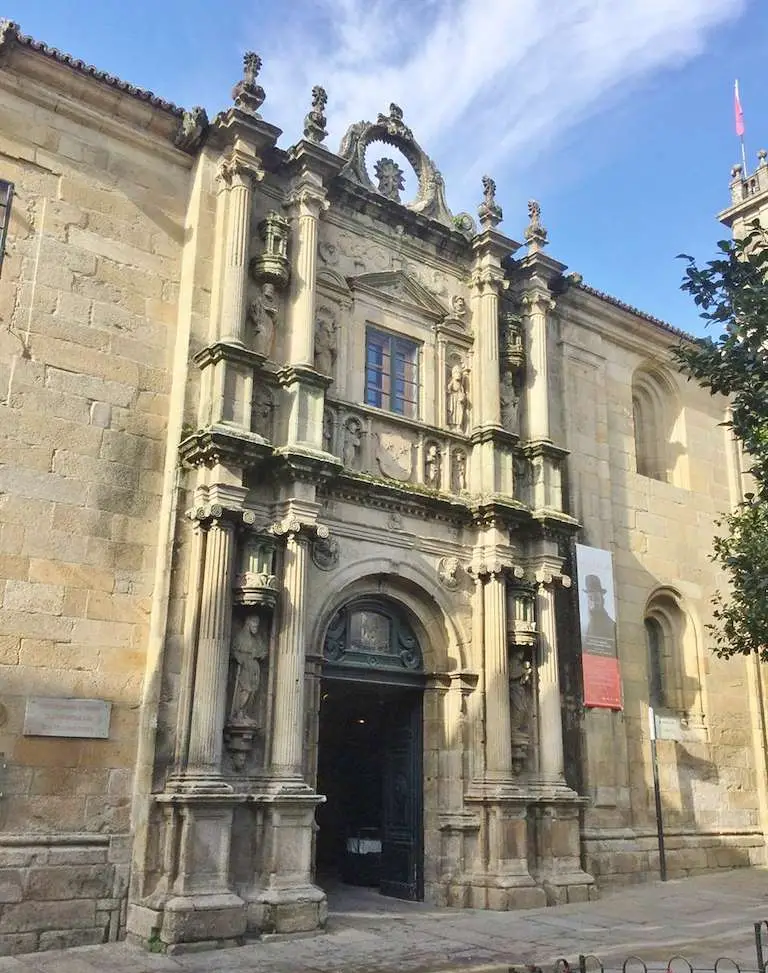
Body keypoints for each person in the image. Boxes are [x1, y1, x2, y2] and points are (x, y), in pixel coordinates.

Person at [583, 574, 616, 650]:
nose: (594, 603)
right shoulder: (586, 624)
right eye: (590, 598)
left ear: (602, 600)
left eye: (597, 599)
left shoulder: (610, 626)